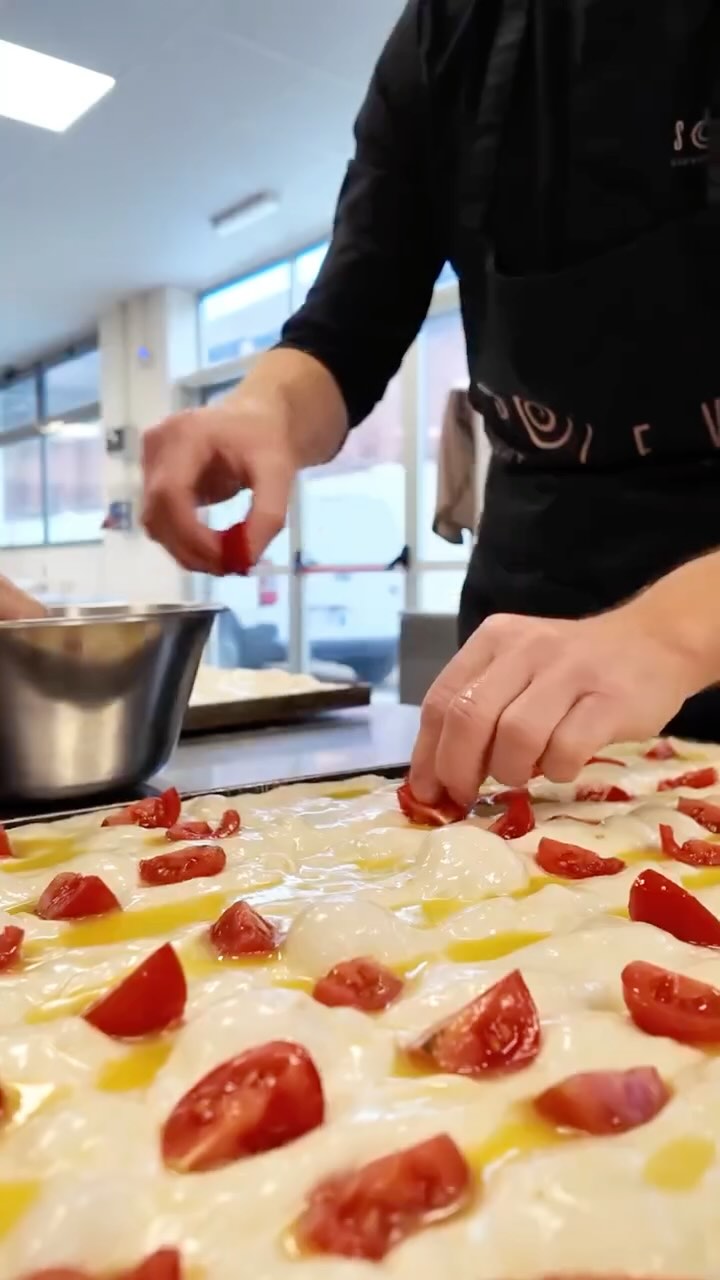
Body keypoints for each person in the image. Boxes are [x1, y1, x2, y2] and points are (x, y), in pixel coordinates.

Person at [143, 0, 720, 807]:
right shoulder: (448, 33)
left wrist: (669, 631)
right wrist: (261, 412)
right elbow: (344, 330)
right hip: (535, 600)